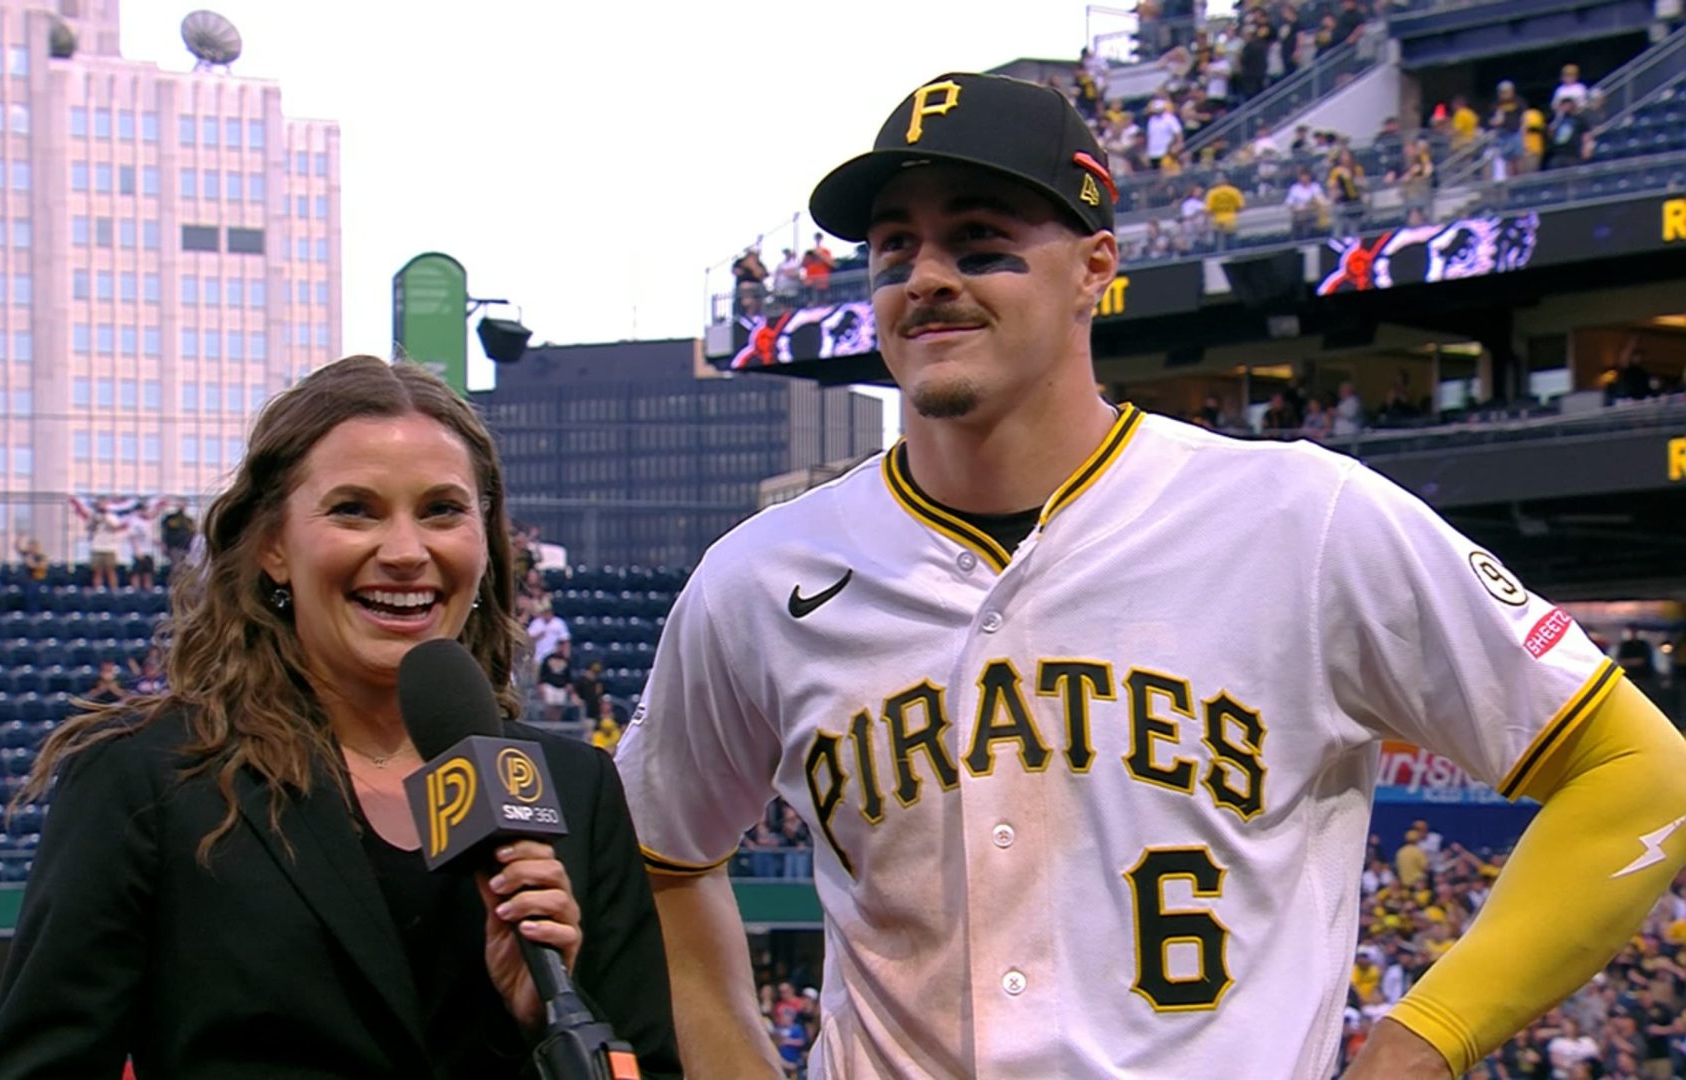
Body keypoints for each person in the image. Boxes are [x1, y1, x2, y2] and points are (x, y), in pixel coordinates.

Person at [615, 72, 1686, 1079]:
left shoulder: (1302, 518)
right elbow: (653, 859)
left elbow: (1638, 770)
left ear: (1095, 268)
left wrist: (1422, 1045)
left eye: (980, 242)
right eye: (895, 248)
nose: (927, 277)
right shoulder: (763, 575)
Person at [0, 355, 679, 1078]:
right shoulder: (145, 778)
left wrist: (550, 1022)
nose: (405, 552)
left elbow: (649, 1063)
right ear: (274, 546)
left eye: (442, 510)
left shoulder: (576, 790)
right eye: (354, 510)